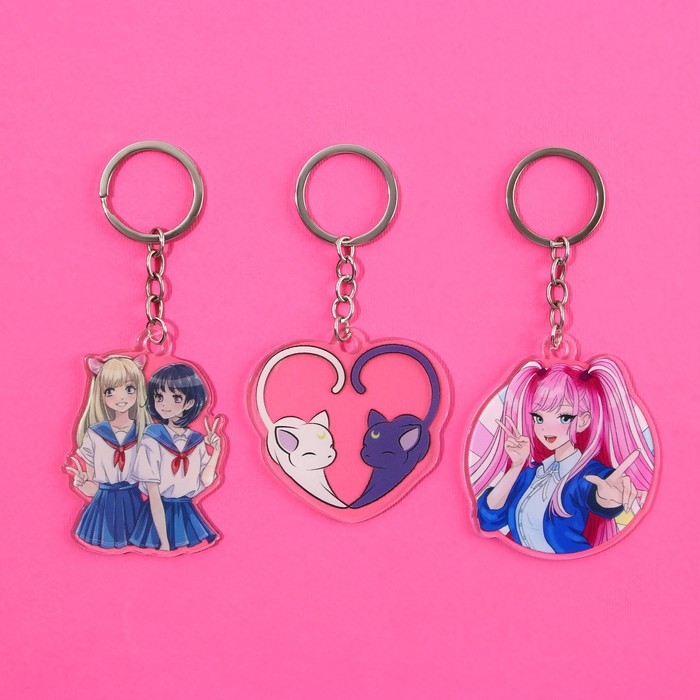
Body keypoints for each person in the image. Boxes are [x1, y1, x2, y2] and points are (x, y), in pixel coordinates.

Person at [470, 358, 654, 554]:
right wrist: (516, 466)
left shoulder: (586, 475)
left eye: (564, 417)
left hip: (577, 569)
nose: (547, 428)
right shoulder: (533, 473)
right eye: (539, 418)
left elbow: (596, 491)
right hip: (521, 567)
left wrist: (608, 499)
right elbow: (488, 520)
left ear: (583, 421)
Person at [129, 363, 223, 551]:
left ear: (189, 403)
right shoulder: (152, 438)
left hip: (186, 513)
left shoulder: (196, 440)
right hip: (157, 513)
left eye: (176, 398)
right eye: (159, 397)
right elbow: (153, 492)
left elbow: (206, 480)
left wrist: (217, 452)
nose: (165, 404)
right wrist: (164, 541)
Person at [67, 354, 149, 549]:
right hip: (103, 504)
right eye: (110, 391)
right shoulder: (95, 434)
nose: (121, 398)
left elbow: (151, 479)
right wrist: (83, 484)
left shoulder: (145, 433)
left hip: (134, 502)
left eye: (129, 389)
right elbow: (92, 481)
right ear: (101, 395)